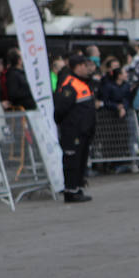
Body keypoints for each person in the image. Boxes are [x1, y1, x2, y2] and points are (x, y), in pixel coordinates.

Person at [53, 55, 97, 203]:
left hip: (84, 131)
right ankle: (70, 191)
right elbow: (60, 110)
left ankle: (77, 188)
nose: (88, 69)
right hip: (73, 132)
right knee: (72, 161)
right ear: (77, 67)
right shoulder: (70, 84)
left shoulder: (83, 83)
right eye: (85, 65)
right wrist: (69, 126)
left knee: (80, 161)